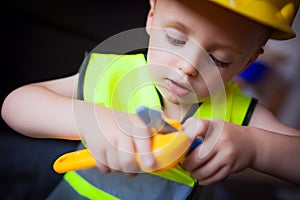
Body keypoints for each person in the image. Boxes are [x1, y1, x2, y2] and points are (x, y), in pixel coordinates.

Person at [1, 0, 300, 199]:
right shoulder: (114, 75)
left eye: (218, 60)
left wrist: (257, 148)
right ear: (152, 15)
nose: (188, 66)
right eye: (176, 39)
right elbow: (16, 104)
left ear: (247, 62)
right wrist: (94, 120)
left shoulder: (236, 113)